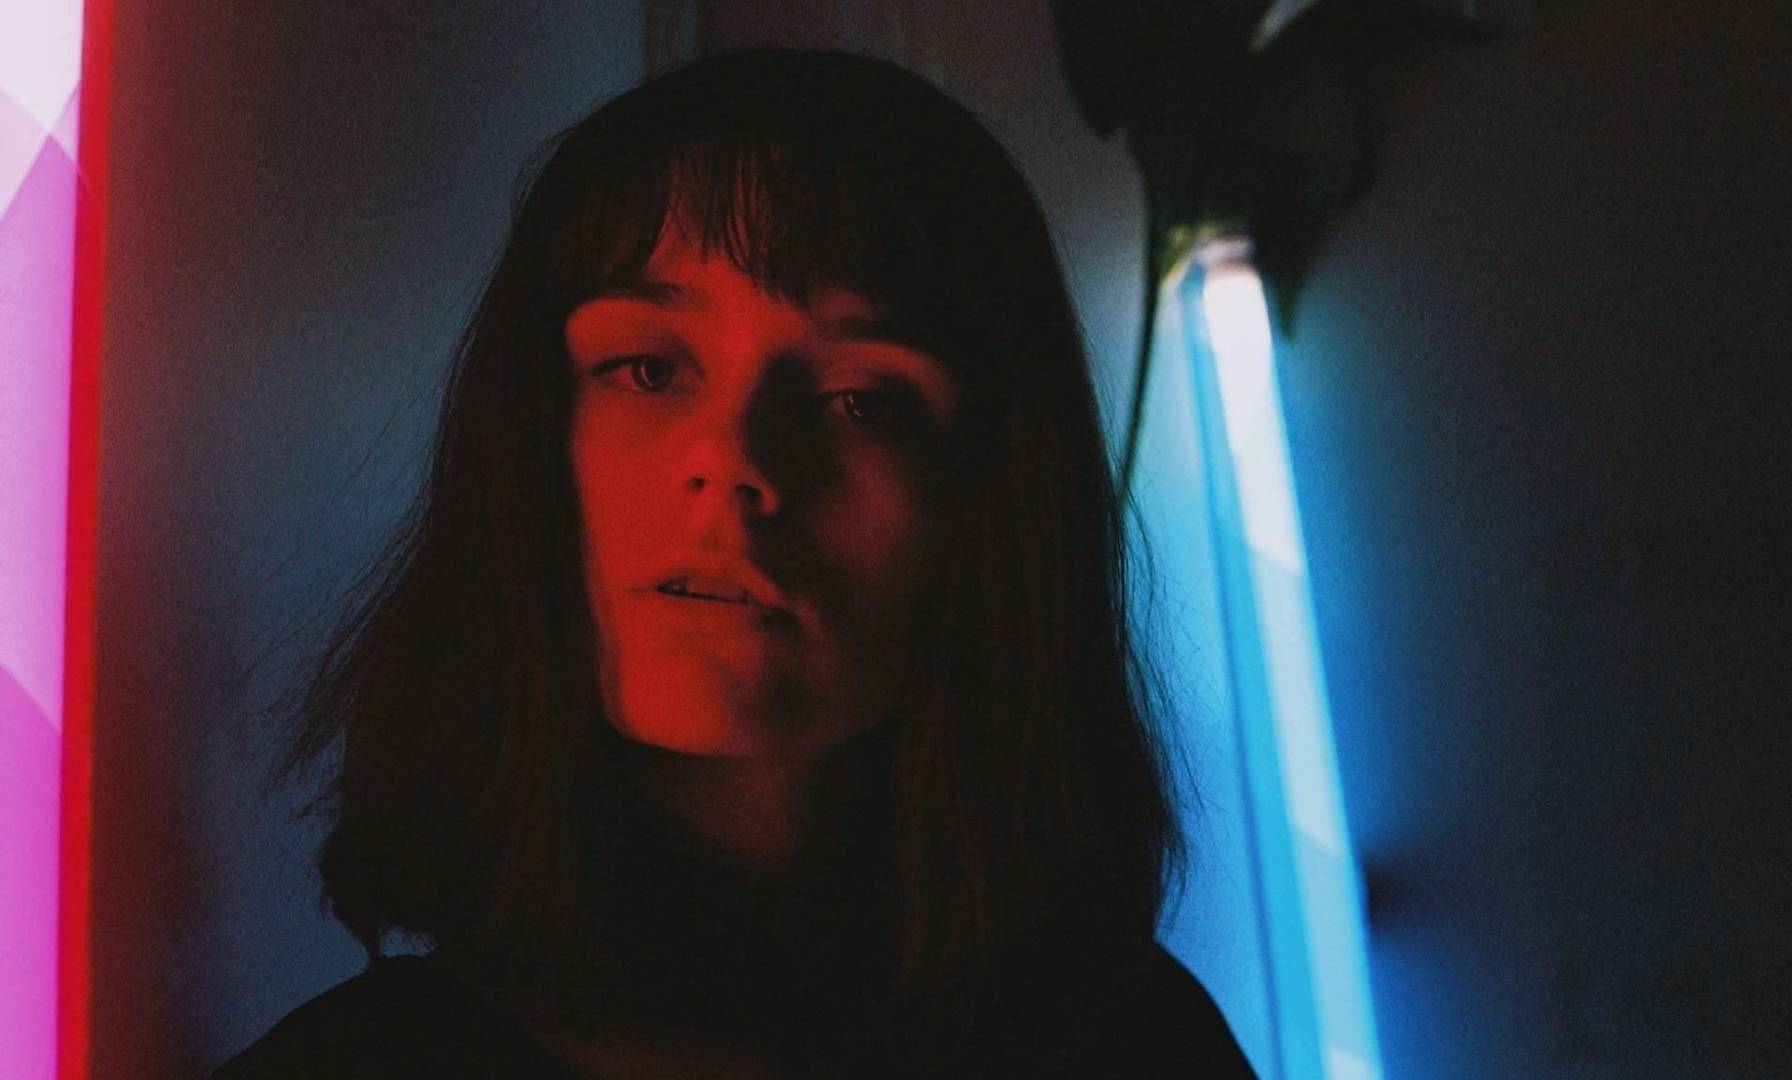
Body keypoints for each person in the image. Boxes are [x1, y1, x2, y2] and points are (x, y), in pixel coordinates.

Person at [213, 46, 1258, 1079]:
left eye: (862, 400)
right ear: (527, 443)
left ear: (992, 501)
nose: (735, 461)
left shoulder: (1140, 1045)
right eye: (648, 368)